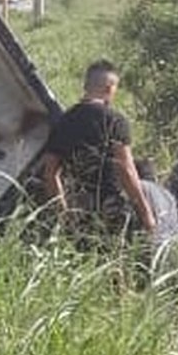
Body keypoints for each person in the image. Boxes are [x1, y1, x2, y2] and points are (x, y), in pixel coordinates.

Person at [39, 60, 157, 246]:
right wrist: (146, 214)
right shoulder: (115, 121)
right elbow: (126, 170)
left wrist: (64, 213)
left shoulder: (64, 121)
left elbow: (51, 173)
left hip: (79, 208)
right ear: (110, 89)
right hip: (111, 207)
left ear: (86, 86)